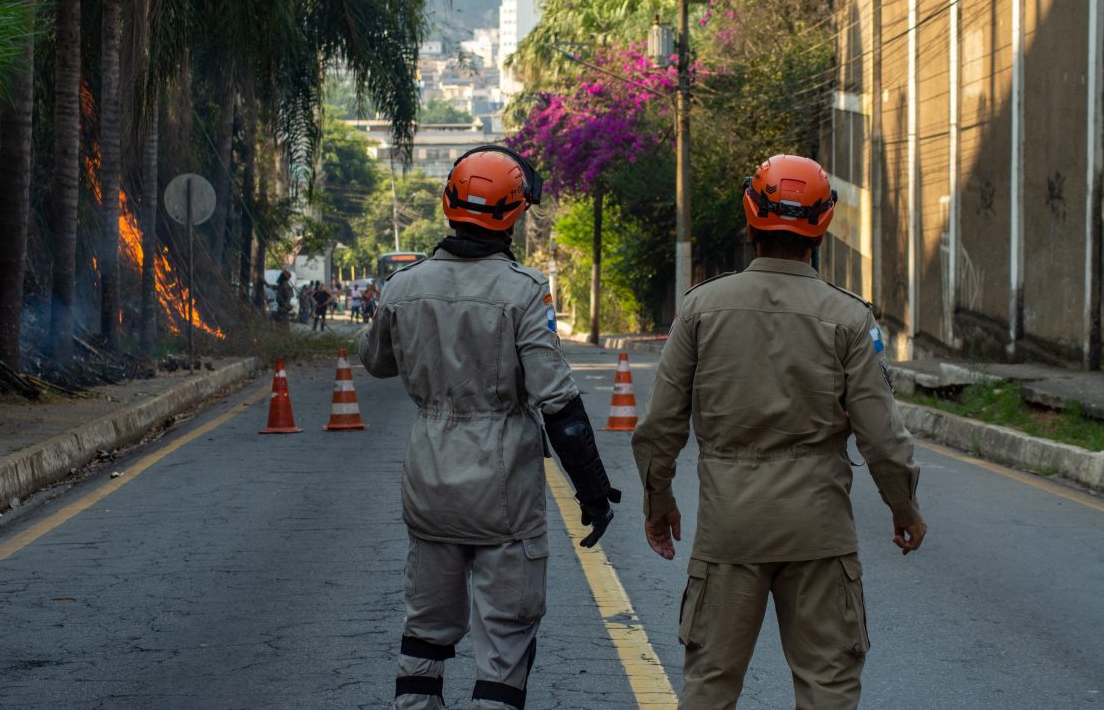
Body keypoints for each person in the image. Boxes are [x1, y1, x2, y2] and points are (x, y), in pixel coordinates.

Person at [632, 154, 927, 709]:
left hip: (729, 528)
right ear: (823, 226)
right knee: (828, 686)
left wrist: (658, 499)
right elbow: (882, 437)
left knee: (711, 685)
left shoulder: (700, 309)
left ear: (749, 221)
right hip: (819, 533)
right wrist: (903, 507)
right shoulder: (847, 319)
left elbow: (658, 426)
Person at [359, 145, 621, 710]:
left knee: (424, 632)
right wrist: (594, 493)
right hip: (503, 491)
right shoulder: (523, 291)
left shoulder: (402, 287)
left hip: (428, 482)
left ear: (448, 204)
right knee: (505, 638)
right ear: (515, 215)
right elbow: (561, 407)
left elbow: (376, 361)